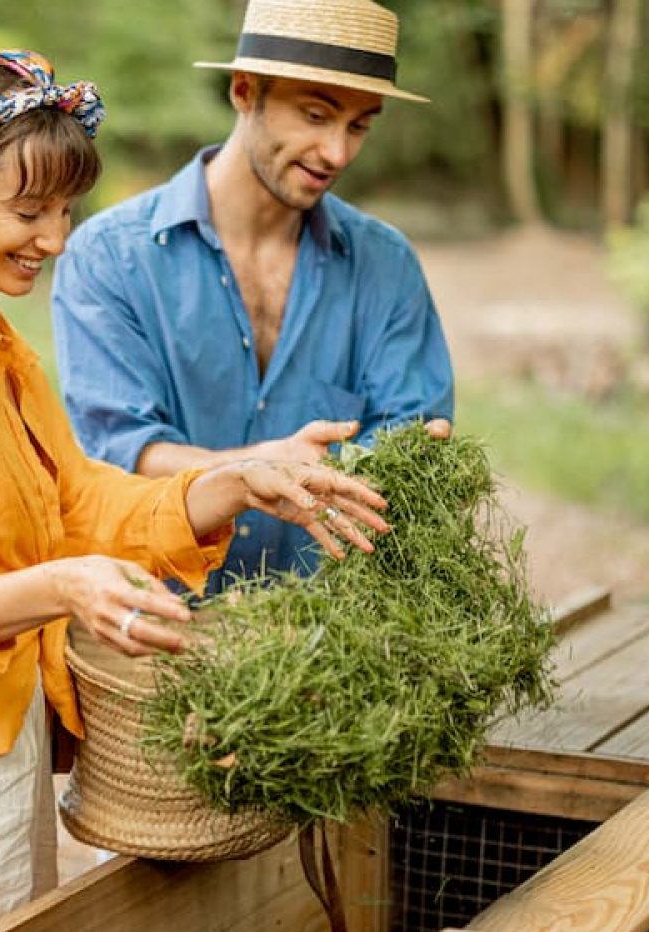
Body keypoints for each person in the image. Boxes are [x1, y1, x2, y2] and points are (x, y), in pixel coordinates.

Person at [0, 46, 392, 932]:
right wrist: (66, 587)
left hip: (0, 738)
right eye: (27, 212)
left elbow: (81, 502)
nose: (57, 239)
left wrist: (238, 480)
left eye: (64, 211)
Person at [52, 0, 456, 593]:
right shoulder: (107, 258)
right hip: (158, 628)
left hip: (335, 642)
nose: (337, 153)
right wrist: (256, 470)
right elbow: (120, 454)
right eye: (316, 115)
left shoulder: (386, 267)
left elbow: (411, 441)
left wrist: (414, 455)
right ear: (244, 91)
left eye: (359, 125)